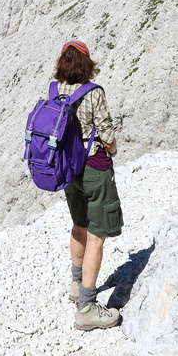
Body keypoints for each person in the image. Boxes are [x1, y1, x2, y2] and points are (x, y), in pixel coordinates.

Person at [55, 39, 123, 331]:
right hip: (94, 167)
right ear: (86, 64)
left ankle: (75, 283)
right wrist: (114, 148)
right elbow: (107, 136)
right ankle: (86, 307)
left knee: (79, 225)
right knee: (97, 235)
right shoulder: (94, 94)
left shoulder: (55, 90)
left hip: (68, 170)